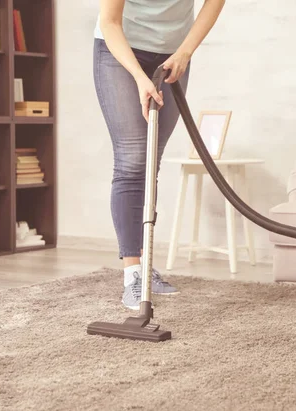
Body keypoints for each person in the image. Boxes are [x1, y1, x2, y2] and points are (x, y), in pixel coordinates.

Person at [93, 0, 225, 309]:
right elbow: (110, 22)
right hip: (120, 52)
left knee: (151, 161)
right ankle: (132, 274)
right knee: (131, 161)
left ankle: (145, 267)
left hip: (174, 54)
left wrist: (185, 52)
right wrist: (140, 77)